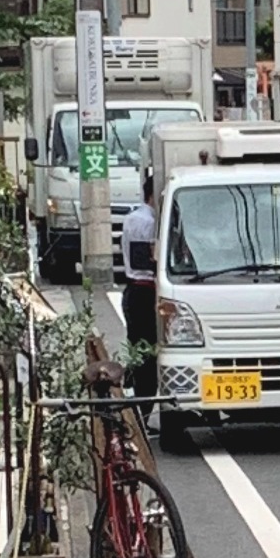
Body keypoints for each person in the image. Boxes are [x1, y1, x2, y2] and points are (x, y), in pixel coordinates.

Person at [122, 172, 159, 413]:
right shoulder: (150, 222)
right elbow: (148, 259)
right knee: (148, 354)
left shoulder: (131, 218)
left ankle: (138, 404)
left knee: (138, 349)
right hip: (146, 293)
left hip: (132, 291)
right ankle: (142, 410)